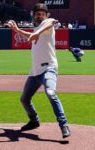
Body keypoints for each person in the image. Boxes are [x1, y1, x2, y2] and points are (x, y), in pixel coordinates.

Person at [8, 3, 70, 138]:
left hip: (49, 68)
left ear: (46, 15)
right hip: (35, 71)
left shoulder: (48, 24)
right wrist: (18, 30)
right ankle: (34, 120)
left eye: (42, 13)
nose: (40, 15)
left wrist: (36, 33)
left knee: (51, 93)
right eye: (37, 13)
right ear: (33, 16)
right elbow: (30, 36)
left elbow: (51, 22)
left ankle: (63, 124)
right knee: (24, 99)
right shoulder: (37, 29)